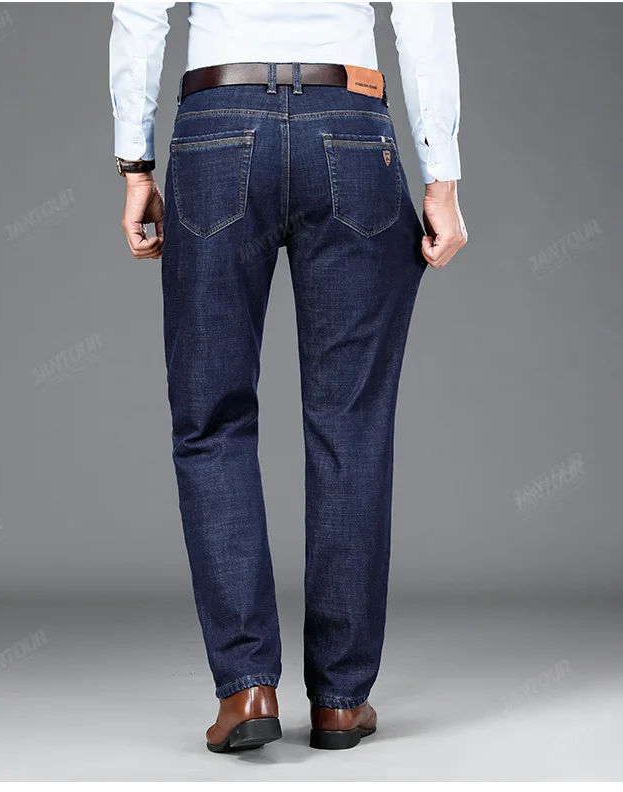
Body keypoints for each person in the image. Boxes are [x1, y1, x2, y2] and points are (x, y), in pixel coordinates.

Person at [110, 0, 467, 753]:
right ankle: (341, 699)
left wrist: (134, 163)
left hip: (216, 123)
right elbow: (422, 13)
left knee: (211, 419)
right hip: (351, 122)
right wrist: (442, 177)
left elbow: (140, 11)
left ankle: (246, 689)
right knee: (352, 422)